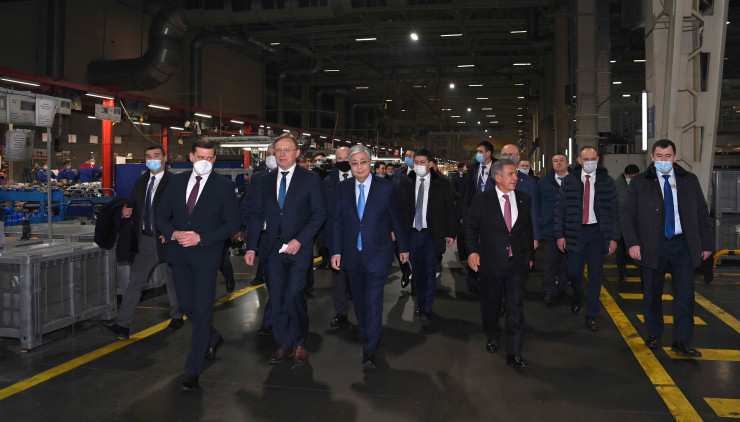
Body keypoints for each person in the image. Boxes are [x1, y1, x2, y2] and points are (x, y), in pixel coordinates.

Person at [155, 138, 240, 391]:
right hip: (180, 255)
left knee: (203, 310)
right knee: (186, 305)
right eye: (201, 157)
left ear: (215, 159)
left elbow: (232, 224)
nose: (205, 161)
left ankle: (193, 368)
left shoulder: (224, 186)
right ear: (191, 157)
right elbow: (160, 215)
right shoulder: (176, 182)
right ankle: (213, 337)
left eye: (210, 158)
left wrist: (201, 238)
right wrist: (173, 233)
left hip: (206, 256)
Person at [622, 139, 713, 357]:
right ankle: (654, 333)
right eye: (660, 156)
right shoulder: (640, 182)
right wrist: (633, 243)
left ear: (675, 157)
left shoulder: (689, 180)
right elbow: (628, 216)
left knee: (685, 295)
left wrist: (707, 244)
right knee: (652, 293)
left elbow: (702, 214)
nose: (664, 160)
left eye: (668, 156)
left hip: (683, 245)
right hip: (652, 245)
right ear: (652, 157)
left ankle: (682, 341)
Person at [245, 133, 326, 366]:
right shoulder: (264, 180)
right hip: (271, 250)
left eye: (287, 150)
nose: (282, 154)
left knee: (294, 295)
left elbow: (319, 213)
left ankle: (300, 342)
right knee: (277, 297)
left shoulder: (310, 179)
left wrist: (300, 240)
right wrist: (251, 247)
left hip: (298, 249)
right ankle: (284, 343)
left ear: (297, 153)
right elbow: (256, 214)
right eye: (278, 150)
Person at [330, 145, 409, 370]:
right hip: (351, 256)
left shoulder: (386, 188)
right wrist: (336, 251)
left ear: (370, 163)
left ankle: (370, 349)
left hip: (378, 254)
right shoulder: (342, 189)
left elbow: (396, 219)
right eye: (354, 163)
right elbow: (336, 221)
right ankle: (368, 331)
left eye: (363, 162)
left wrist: (403, 248)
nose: (359, 167)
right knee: (360, 301)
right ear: (350, 166)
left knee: (373, 301)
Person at [105, 145, 183, 340]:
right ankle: (123, 325)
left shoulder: (174, 182)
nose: (152, 159)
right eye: (148, 156)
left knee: (172, 281)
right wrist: (125, 211)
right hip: (146, 240)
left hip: (167, 241)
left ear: (165, 158)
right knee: (135, 282)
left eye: (156, 155)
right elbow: (135, 204)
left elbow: (181, 209)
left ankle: (177, 315)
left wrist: (171, 231)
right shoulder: (141, 182)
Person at [465, 159, 533, 368]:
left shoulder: (524, 199)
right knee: (491, 306)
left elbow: (527, 230)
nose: (515, 178)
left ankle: (514, 352)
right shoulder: (481, 200)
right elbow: (470, 228)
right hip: (490, 263)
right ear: (498, 177)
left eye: (515, 174)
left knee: (516, 308)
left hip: (517, 263)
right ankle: (493, 334)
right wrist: (472, 252)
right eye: (511, 174)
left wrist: (529, 256)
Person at [554, 146, 620, 332]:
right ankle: (577, 292)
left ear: (598, 159)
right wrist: (560, 234)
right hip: (575, 232)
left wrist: (614, 238)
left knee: (595, 276)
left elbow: (615, 211)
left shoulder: (607, 182)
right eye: (586, 159)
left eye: (593, 159)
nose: (590, 162)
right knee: (573, 272)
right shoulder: (570, 181)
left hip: (597, 234)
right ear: (579, 161)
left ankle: (592, 314)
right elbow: (560, 209)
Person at [398, 149, 457, 328]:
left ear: (430, 164)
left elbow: (451, 209)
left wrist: (450, 233)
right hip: (412, 234)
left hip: (432, 234)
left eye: (422, 162)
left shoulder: (442, 184)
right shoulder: (406, 182)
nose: (418, 165)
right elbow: (399, 209)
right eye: (416, 162)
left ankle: (426, 310)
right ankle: (420, 300)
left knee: (429, 272)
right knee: (417, 272)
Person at [241, 154, 277, 335]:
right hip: (265, 237)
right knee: (272, 281)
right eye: (272, 152)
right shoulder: (258, 179)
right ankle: (271, 319)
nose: (275, 156)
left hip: (289, 239)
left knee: (289, 285)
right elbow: (249, 204)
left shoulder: (301, 178)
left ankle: (277, 320)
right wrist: (241, 227)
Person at [500, 144, 540, 294]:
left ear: (518, 158)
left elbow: (533, 210)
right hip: (499, 234)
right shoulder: (494, 179)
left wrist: (535, 237)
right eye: (505, 155)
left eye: (512, 155)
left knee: (518, 275)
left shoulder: (528, 182)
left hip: (521, 235)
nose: (509, 157)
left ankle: (514, 298)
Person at [322, 146, 353, 327]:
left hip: (358, 237)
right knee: (338, 277)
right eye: (339, 158)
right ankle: (341, 312)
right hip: (337, 237)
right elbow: (324, 211)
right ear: (335, 161)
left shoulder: (363, 178)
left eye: (346, 158)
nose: (343, 161)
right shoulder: (328, 182)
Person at [459, 141, 496, 294]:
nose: (478, 154)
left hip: (493, 215)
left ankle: (489, 279)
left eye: (480, 151)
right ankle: (474, 280)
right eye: (477, 151)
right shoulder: (473, 170)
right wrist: (463, 215)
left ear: (488, 153)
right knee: (473, 245)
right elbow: (466, 193)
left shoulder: (497, 168)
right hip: (474, 214)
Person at [537, 153, 571, 306]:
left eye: (562, 160)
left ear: (568, 163)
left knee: (566, 263)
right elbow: (537, 204)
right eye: (555, 161)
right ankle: (549, 291)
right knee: (550, 262)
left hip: (570, 229)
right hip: (549, 229)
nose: (558, 163)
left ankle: (563, 290)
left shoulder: (576, 182)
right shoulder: (543, 183)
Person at [614, 164, 640, 290]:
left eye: (635, 177)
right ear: (625, 175)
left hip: (637, 226)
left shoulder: (642, 185)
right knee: (621, 252)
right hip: (621, 226)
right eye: (630, 177)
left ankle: (642, 272)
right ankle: (622, 274)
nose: (632, 179)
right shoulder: (616, 186)